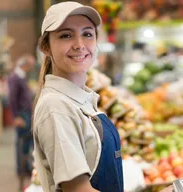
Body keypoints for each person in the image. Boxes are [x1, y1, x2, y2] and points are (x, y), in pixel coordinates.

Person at [32, 2, 123, 192]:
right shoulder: (56, 106)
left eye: (87, 34)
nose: (79, 45)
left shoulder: (81, 100)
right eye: (66, 35)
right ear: (46, 47)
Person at [8, 54, 36, 191]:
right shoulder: (15, 78)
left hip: (26, 114)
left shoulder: (21, 77)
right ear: (26, 65)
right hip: (22, 115)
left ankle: (26, 168)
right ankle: (22, 171)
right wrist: (15, 117)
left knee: (27, 143)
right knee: (22, 144)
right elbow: (12, 98)